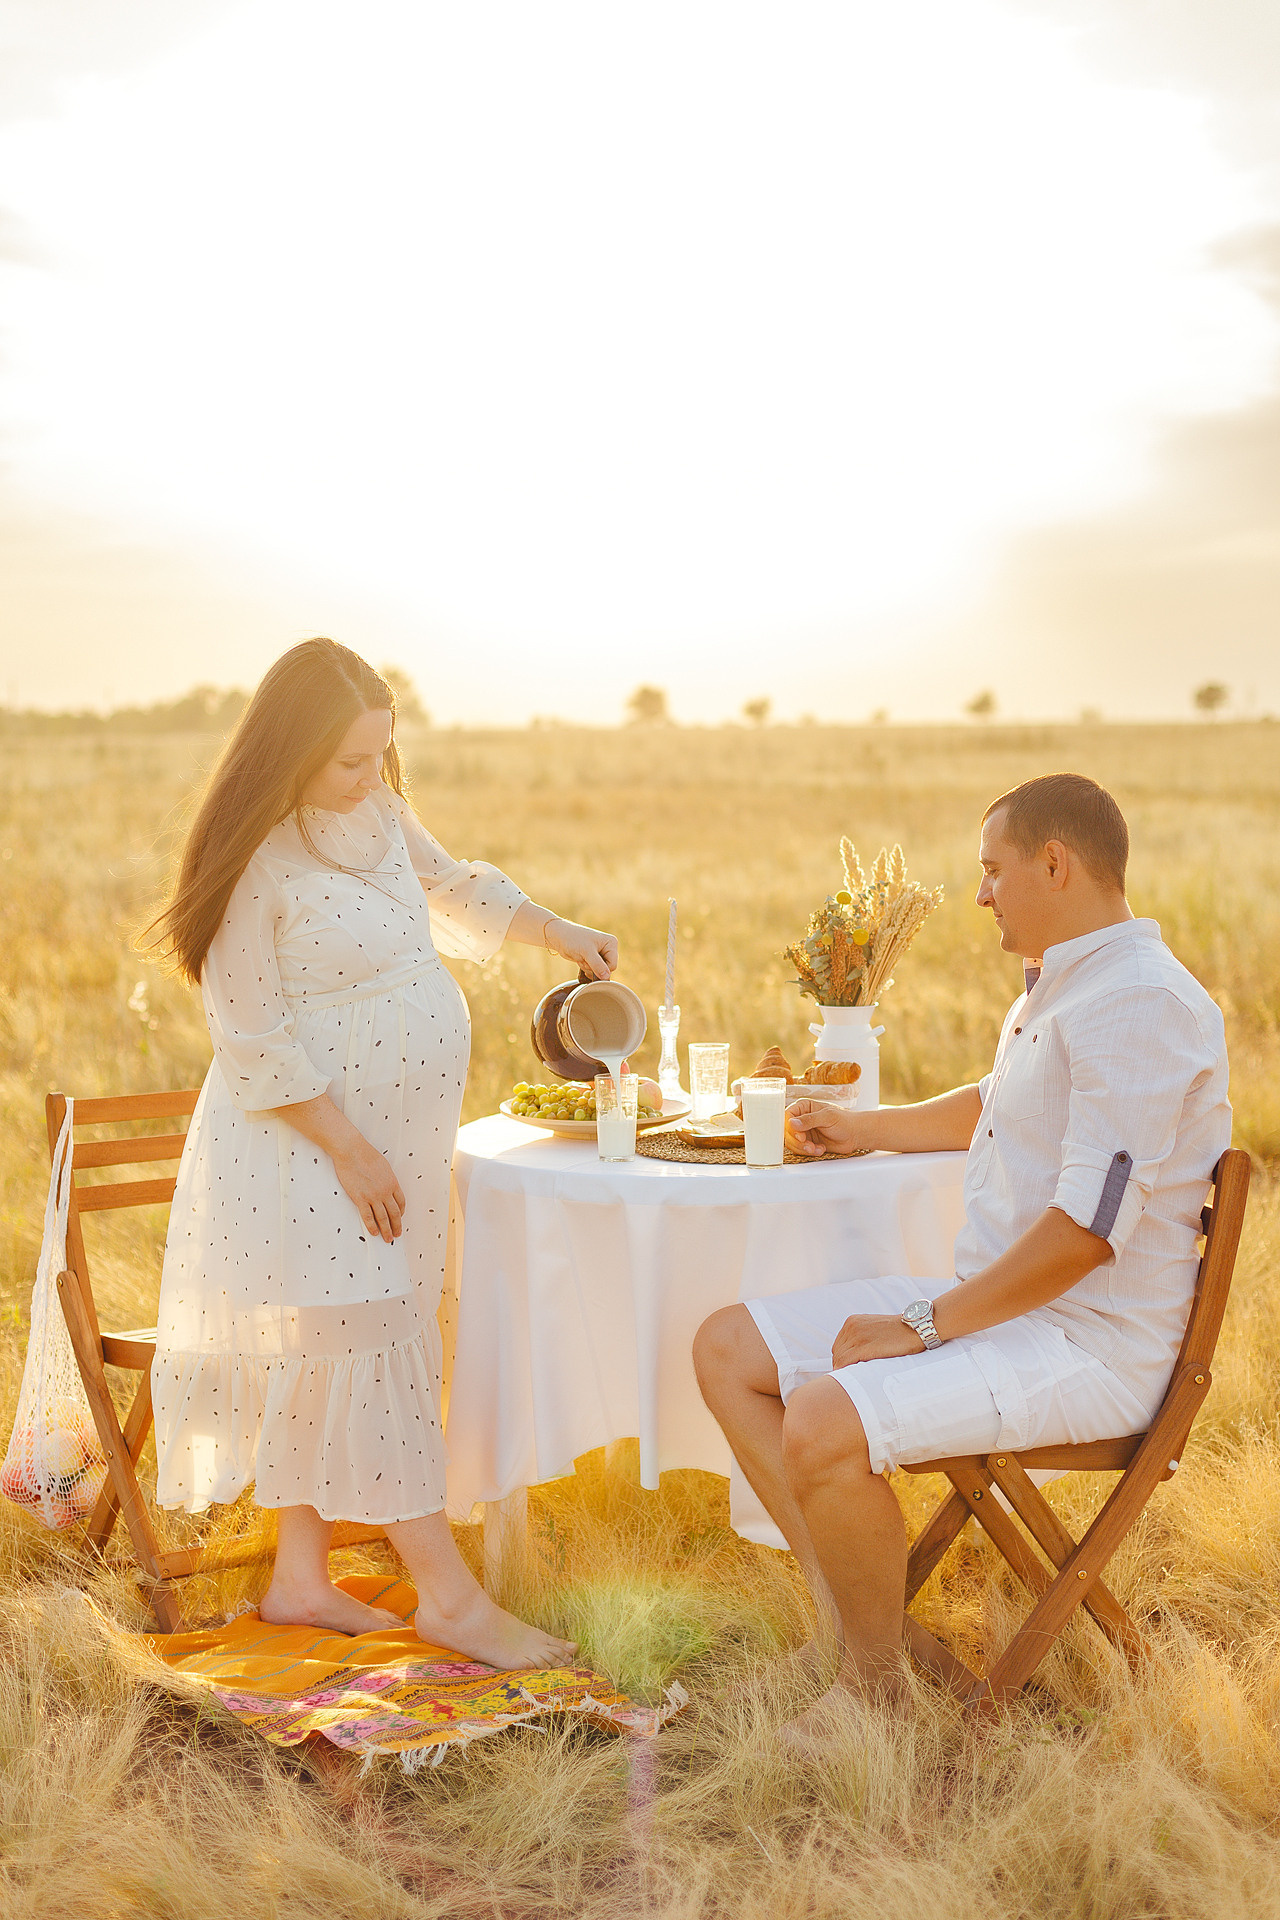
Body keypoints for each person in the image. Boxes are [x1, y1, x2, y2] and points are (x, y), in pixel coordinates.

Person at [694, 772, 1230, 1720]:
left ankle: (872, 1695)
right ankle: (864, 1635)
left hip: (1090, 1346)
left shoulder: (1137, 1004)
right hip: (1011, 1308)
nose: (980, 894)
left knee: (823, 1417)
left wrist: (924, 1323)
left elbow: (1087, 1233)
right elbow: (998, 1104)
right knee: (730, 1348)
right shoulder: (1067, 982)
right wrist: (866, 1126)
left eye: (993, 870)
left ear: (1055, 864)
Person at [149, 638, 616, 1662]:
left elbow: (457, 888)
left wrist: (561, 932)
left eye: (380, 756)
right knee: (367, 1340)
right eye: (350, 761)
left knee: (352, 1342)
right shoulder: (252, 863)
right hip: (303, 1145)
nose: (372, 779)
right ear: (288, 752)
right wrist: (352, 1153)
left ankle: (300, 1581)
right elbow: (253, 1037)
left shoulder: (375, 813)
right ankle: (445, 1596)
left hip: (396, 1139)